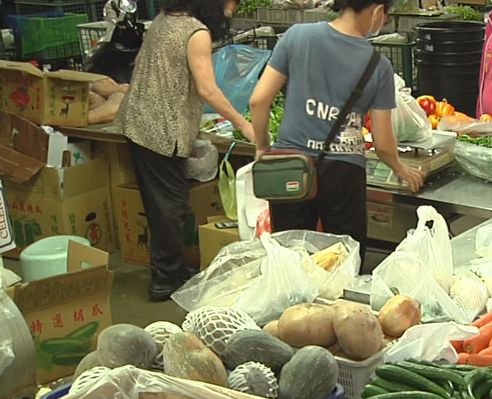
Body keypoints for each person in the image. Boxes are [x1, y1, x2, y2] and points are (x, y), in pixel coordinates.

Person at [249, 0, 424, 257]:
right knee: (342, 259)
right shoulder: (379, 66)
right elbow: (383, 142)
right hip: (343, 173)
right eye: (385, 17)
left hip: (291, 166)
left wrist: (263, 147)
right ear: (377, 10)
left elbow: (258, 101)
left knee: (291, 258)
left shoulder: (297, 36)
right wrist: (402, 169)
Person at [119, 0, 255, 301]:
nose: (231, 11)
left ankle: (172, 268)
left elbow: (141, 61)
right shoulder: (196, 33)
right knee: (170, 205)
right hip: (159, 128)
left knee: (165, 202)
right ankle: (164, 279)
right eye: (231, 4)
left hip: (140, 120)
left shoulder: (165, 18)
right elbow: (207, 89)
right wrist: (243, 124)